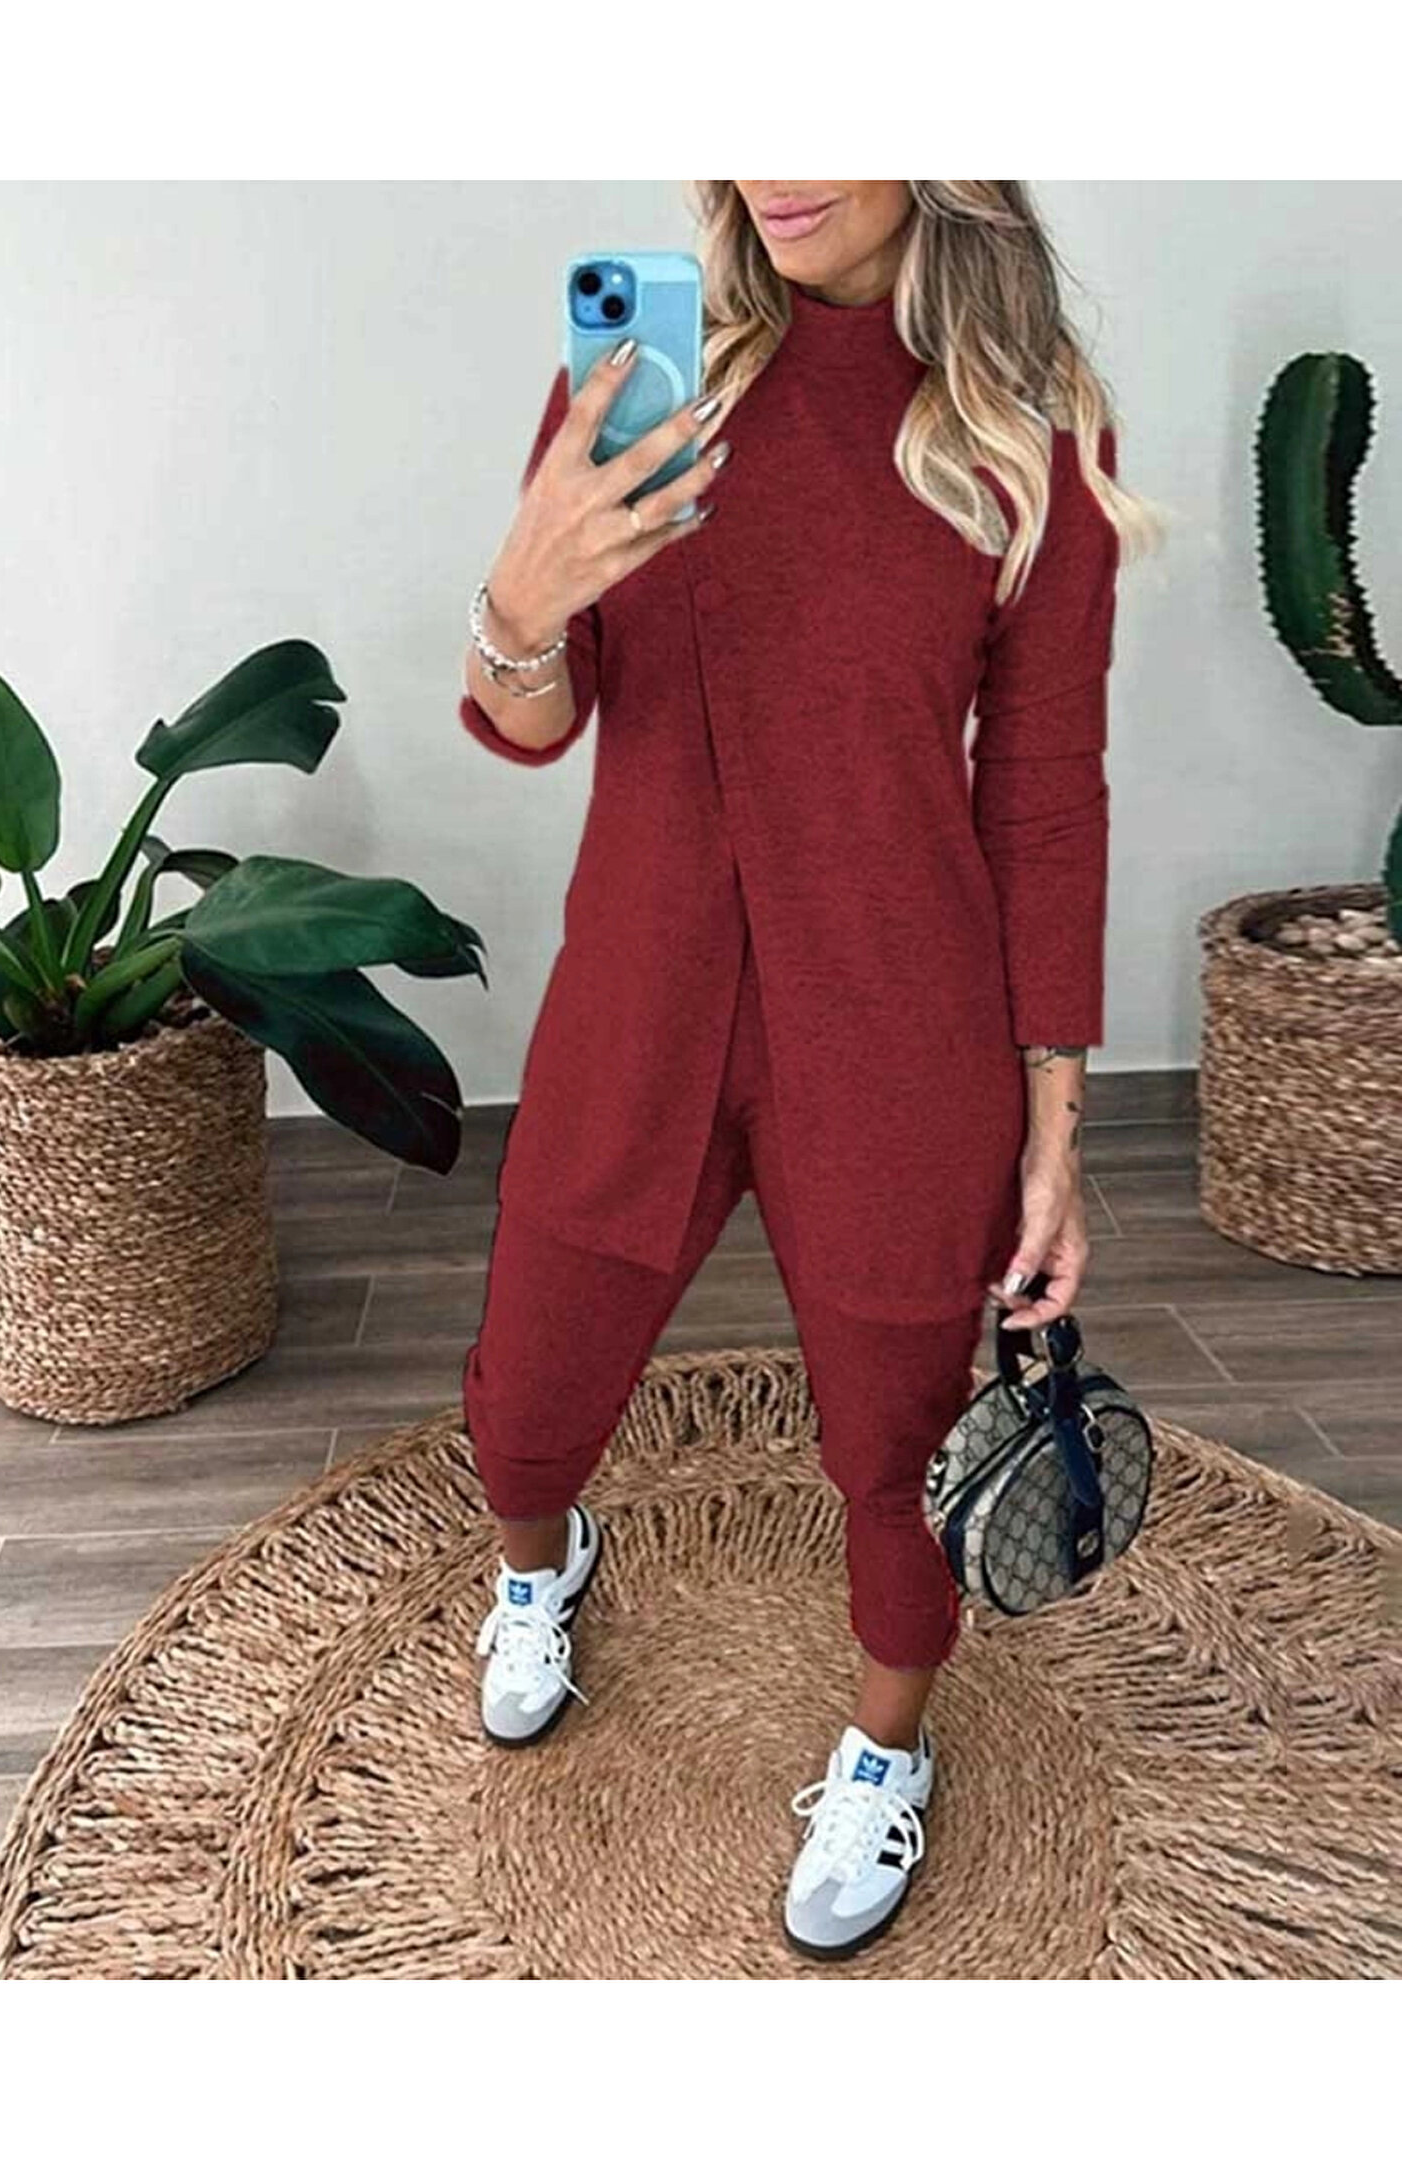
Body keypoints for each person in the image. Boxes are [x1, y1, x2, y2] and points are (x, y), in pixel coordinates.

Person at [457, 181, 1152, 1961]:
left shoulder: (1029, 434)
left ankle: (886, 1749)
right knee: (529, 1382)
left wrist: (1056, 1128)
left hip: (901, 1021)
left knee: (900, 1440)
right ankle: (541, 1568)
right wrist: (522, 597)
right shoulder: (645, 385)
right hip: (643, 986)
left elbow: (1044, 793)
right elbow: (535, 717)